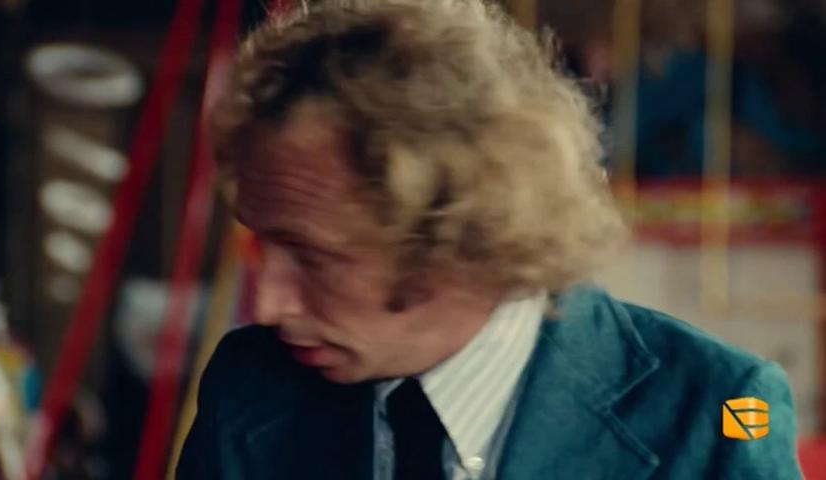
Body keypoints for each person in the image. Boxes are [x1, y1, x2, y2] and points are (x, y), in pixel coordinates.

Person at [177, 1, 802, 478]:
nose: (268, 306)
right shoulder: (250, 385)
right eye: (263, 245)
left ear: (461, 237)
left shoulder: (718, 407)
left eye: (316, 259)